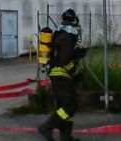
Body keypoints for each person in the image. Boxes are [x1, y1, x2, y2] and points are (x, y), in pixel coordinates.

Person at [38, 9, 86, 141]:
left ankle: (65, 136)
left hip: (57, 74)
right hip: (61, 75)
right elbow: (64, 60)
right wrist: (74, 69)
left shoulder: (59, 32)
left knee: (62, 107)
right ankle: (47, 127)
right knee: (70, 106)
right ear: (75, 21)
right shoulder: (69, 35)